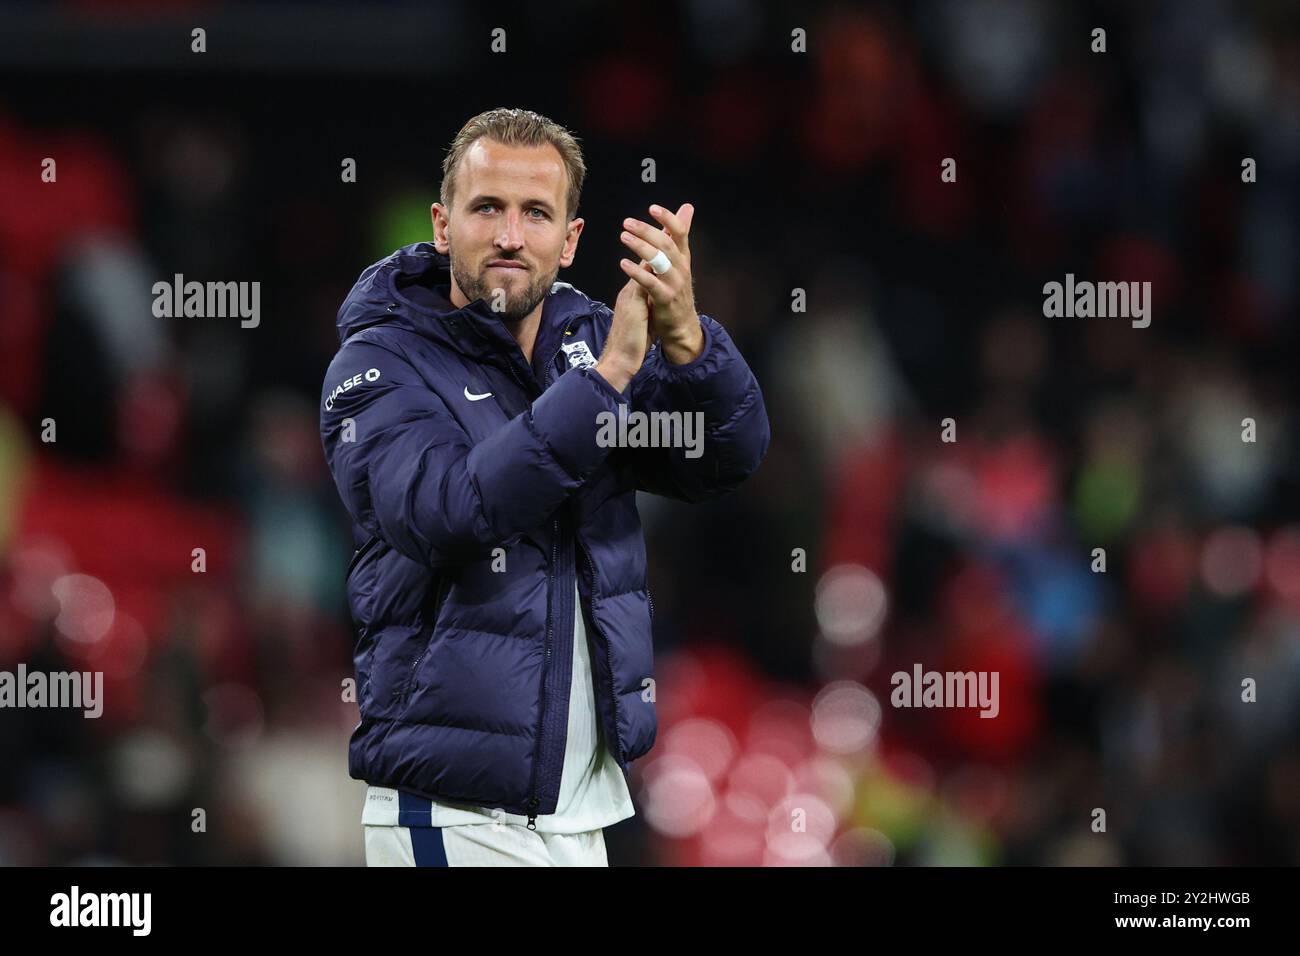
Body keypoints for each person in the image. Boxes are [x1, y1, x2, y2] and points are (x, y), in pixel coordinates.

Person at [319, 107, 769, 866]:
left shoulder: (588, 343)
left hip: (575, 815)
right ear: (441, 223)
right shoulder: (379, 367)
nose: (508, 236)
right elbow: (449, 511)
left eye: (536, 214)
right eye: (487, 207)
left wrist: (690, 340)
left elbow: (722, 458)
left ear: (570, 240)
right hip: (457, 813)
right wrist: (609, 381)